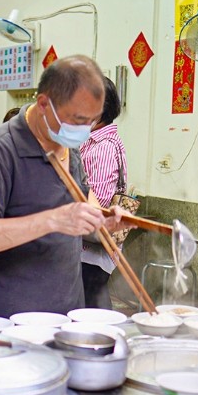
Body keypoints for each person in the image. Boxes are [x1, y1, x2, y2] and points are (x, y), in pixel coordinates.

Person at [0, 55, 125, 318]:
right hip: (15, 319)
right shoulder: (0, 149)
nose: (85, 130)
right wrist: (53, 220)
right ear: (44, 103)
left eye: (92, 121)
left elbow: (86, 202)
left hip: (69, 313)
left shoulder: (69, 148)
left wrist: (105, 221)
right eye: (77, 120)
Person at [79, 77, 128, 309]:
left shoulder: (104, 147)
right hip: (83, 245)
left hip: (93, 248)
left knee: (92, 305)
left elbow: (97, 202)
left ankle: (104, 343)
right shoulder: (91, 141)